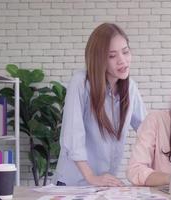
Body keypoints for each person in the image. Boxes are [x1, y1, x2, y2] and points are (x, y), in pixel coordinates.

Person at [55, 23, 146, 186]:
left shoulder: (130, 87)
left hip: (103, 183)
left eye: (125, 52)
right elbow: (73, 137)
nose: (122, 61)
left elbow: (145, 128)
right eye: (112, 56)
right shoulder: (81, 83)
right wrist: (91, 178)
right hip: (74, 183)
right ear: (99, 59)